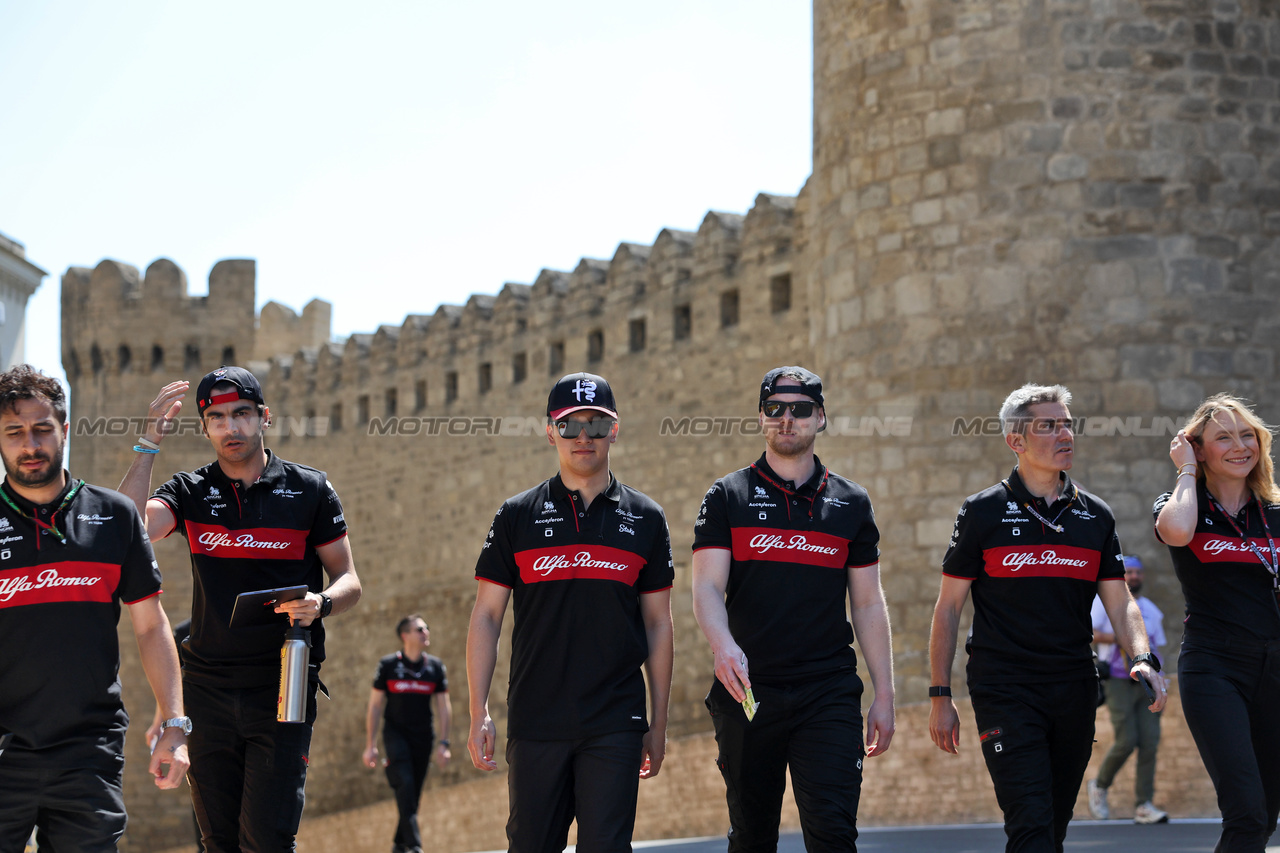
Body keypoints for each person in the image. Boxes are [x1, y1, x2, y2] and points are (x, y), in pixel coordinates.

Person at [119, 366, 361, 853]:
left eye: (242, 415)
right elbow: (126, 529)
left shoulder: (311, 489)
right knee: (218, 841)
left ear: (264, 417)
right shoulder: (189, 492)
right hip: (206, 689)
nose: (231, 428)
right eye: (218, 418)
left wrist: (321, 603)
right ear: (205, 427)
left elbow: (350, 580)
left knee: (267, 841)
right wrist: (148, 444)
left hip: (284, 684)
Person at [928, 383, 1167, 853]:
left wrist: (1142, 656)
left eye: (1068, 425)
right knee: (1031, 824)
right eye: (1049, 426)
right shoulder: (982, 512)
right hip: (1004, 686)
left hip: (1074, 686)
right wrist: (940, 694)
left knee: (1053, 826)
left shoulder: (1096, 515)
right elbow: (949, 607)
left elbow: (1120, 603)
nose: (1065, 434)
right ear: (1016, 441)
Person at [466, 372, 674, 853]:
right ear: (550, 431)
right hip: (536, 720)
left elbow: (659, 624)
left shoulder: (646, 518)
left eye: (596, 425)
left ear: (615, 430)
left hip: (616, 722)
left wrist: (657, 723)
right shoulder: (515, 515)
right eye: (570, 425)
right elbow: (487, 617)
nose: (584, 437)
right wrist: (480, 711)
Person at [692, 366, 895, 853]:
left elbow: (867, 603)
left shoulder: (851, 503)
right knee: (752, 837)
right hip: (747, 693)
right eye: (775, 409)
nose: (788, 419)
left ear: (820, 417)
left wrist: (885, 693)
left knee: (833, 835)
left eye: (801, 410)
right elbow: (705, 589)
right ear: (761, 417)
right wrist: (723, 648)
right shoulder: (727, 496)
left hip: (828, 694)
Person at [0, 364, 190, 852]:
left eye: (43, 429)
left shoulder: (114, 515)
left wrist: (174, 722)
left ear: (64, 429)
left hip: (90, 749)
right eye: (14, 432)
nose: (30, 444)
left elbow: (150, 627)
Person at [1156, 393, 1280, 852]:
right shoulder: (1180, 505)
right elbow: (1177, 533)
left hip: (1275, 668)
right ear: (1198, 448)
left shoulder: (1276, 512)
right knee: (1246, 812)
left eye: (1247, 435)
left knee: (1265, 815)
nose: (1239, 445)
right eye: (1223, 437)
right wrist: (1186, 470)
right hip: (1215, 667)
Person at [1085, 555, 1168, 824]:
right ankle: (1100, 784)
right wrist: (1123, 638)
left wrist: (1161, 680)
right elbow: (1090, 633)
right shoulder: (1103, 603)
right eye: (1128, 572)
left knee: (1150, 743)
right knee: (1127, 739)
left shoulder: (1153, 610)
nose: (1133, 576)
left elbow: (1158, 648)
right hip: (1119, 679)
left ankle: (1144, 804)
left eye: (1137, 572)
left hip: (1147, 681)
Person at [363, 614, 452, 853]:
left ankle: (398, 845)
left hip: (423, 738)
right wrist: (370, 744)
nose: (426, 632)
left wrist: (444, 743)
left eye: (426, 628)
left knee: (412, 795)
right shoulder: (388, 665)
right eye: (420, 629)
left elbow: (444, 707)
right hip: (395, 735)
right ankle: (414, 846)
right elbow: (374, 706)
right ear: (405, 635)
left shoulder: (434, 667)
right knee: (405, 782)